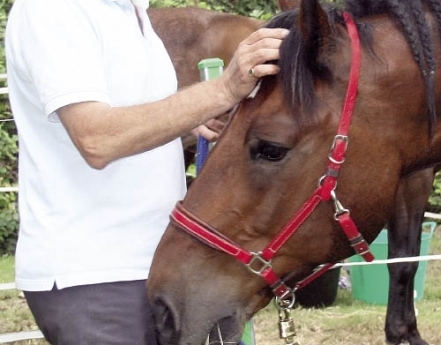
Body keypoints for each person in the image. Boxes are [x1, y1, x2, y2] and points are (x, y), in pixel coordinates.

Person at [5, 0, 288, 344]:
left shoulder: (130, 11)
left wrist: (190, 119)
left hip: (167, 265)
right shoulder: (54, 8)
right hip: (98, 276)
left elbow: (129, 122)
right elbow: (96, 138)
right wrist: (222, 90)